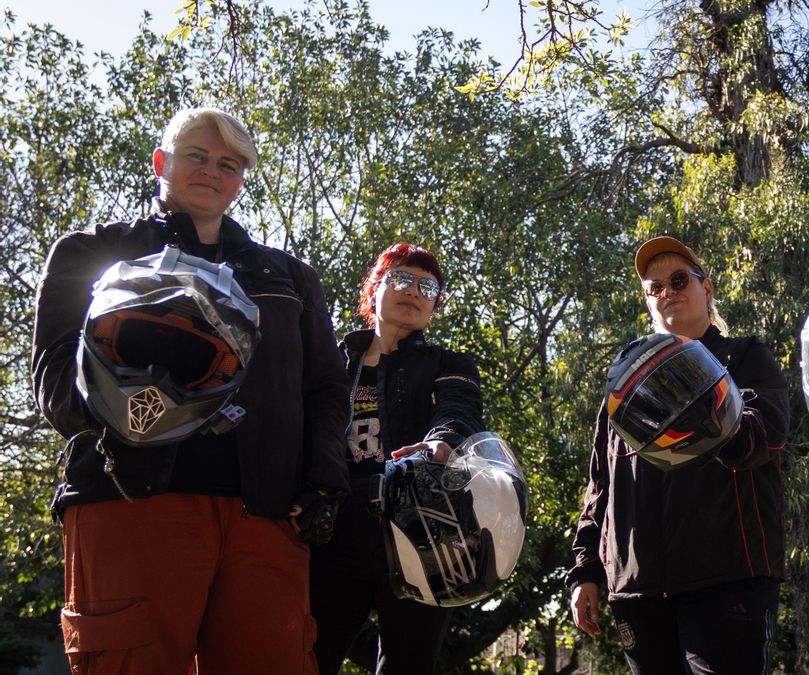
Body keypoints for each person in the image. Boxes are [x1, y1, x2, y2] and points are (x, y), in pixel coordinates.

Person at [31, 107, 350, 673]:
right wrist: (121, 438)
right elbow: (55, 374)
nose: (211, 171)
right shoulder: (90, 252)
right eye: (197, 156)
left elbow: (326, 387)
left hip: (267, 517)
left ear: (241, 182)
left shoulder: (289, 278)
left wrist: (325, 483)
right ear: (162, 162)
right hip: (131, 501)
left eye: (228, 163)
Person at [566, 236, 790, 674]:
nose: (667, 292)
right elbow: (600, 486)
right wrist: (584, 571)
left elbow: (763, 440)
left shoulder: (745, 357)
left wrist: (697, 393)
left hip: (727, 581)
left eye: (679, 280)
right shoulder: (624, 385)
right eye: (655, 288)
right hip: (638, 590)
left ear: (707, 290)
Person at [309, 242, 483, 675]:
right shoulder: (332, 362)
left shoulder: (449, 363)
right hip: (334, 530)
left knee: (408, 665)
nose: (414, 292)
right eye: (401, 279)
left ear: (435, 305)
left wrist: (441, 442)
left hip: (422, 531)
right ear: (374, 290)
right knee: (307, 657)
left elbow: (458, 410)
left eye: (428, 287)